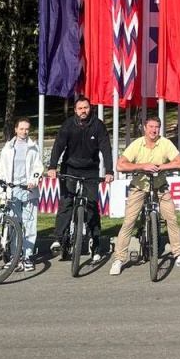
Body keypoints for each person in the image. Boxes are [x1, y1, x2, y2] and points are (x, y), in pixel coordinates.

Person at [109, 113, 180, 275]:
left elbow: (179, 162)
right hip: (139, 185)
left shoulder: (165, 143)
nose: (154, 130)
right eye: (151, 127)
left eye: (156, 127)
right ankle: (119, 259)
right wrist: (143, 166)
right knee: (129, 222)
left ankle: (179, 255)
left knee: (171, 218)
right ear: (144, 129)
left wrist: (160, 167)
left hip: (159, 185)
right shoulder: (137, 144)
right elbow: (120, 165)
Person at [48, 97, 113, 260]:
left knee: (92, 206)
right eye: (80, 108)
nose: (83, 111)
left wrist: (109, 171)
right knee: (66, 203)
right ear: (75, 111)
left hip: (90, 170)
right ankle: (58, 239)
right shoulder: (68, 125)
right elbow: (58, 146)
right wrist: (52, 167)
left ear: (90, 108)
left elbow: (106, 149)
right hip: (70, 168)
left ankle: (95, 243)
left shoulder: (98, 125)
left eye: (86, 108)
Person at [0, 117, 43, 271]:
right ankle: (16, 256)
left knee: (29, 224)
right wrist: (2, 190)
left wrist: (33, 180)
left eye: (27, 129)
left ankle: (27, 256)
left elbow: (38, 168)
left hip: (28, 190)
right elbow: (2, 170)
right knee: (14, 224)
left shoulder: (34, 147)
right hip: (13, 189)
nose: (24, 132)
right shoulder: (8, 148)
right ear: (15, 129)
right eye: (21, 129)